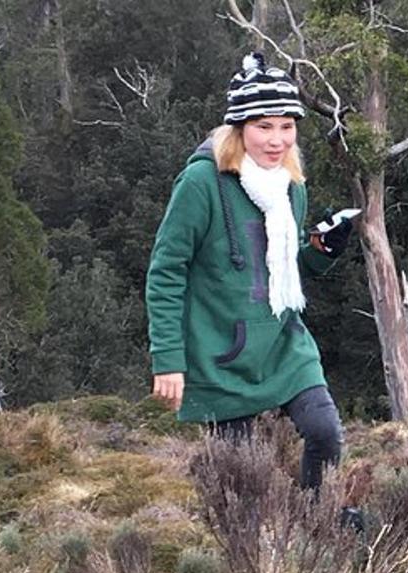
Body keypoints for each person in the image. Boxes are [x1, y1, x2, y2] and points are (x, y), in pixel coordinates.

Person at [146, 53, 354, 492]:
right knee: (243, 483)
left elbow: (284, 268)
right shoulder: (201, 185)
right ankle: (257, 554)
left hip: (282, 344)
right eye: (264, 126)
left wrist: (322, 252)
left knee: (325, 433)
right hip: (222, 354)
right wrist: (168, 360)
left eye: (287, 125)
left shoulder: (290, 184)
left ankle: (318, 524)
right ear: (239, 128)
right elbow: (165, 272)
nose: (277, 140)